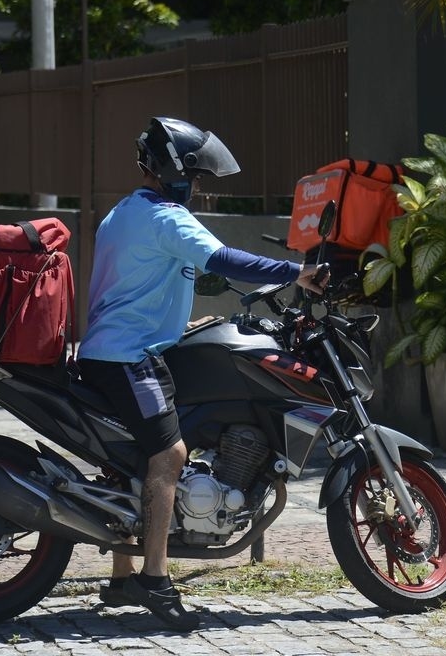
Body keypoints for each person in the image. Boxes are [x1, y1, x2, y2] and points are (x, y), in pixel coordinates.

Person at [77, 117, 327, 631]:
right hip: (128, 356)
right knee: (169, 455)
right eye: (197, 178)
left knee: (135, 457)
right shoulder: (166, 217)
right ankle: (155, 579)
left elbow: (164, 276)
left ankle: (124, 576)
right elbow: (223, 257)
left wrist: (188, 315)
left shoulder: (125, 212)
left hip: (111, 350)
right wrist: (294, 271)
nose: (198, 188)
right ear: (175, 172)